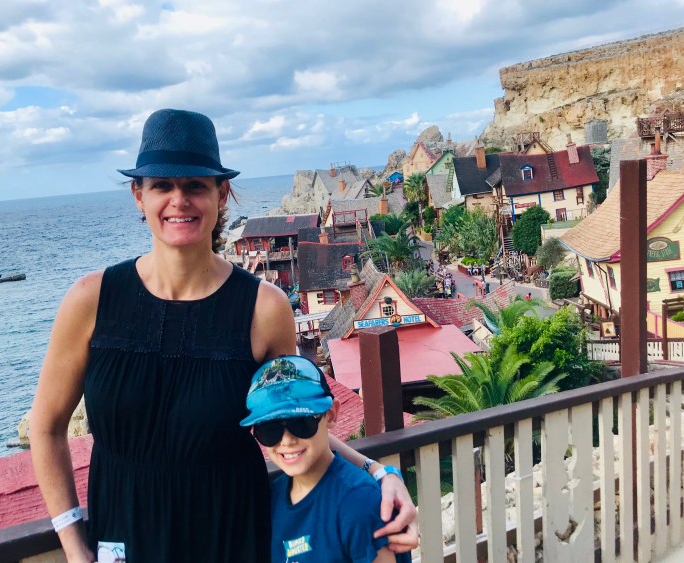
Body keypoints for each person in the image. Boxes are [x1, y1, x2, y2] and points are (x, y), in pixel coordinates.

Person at [29, 109, 417, 562]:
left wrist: (377, 473)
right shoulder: (92, 300)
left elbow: (296, 419)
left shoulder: (263, 308)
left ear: (221, 194)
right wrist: (74, 544)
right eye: (162, 185)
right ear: (139, 196)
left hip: (232, 537)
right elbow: (46, 427)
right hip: (123, 538)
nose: (179, 200)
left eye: (195, 185)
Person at [241, 356, 411, 563]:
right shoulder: (275, 495)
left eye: (301, 423)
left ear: (330, 415)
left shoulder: (359, 501)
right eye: (269, 430)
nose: (287, 440)